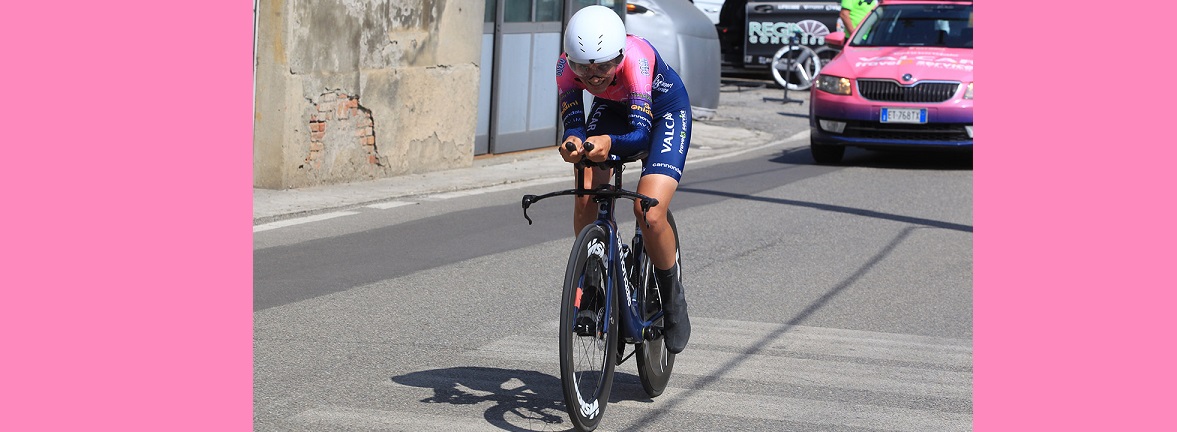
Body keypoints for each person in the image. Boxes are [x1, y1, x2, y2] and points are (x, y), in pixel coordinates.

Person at [555, 5, 691, 354]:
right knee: (586, 187)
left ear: (618, 54)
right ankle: (595, 282)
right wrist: (573, 144)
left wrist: (608, 144)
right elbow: (574, 124)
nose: (593, 76)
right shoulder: (563, 68)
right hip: (615, 110)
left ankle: (673, 300)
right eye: (583, 68)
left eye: (602, 66)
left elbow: (641, 136)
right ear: (569, 60)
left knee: (649, 211)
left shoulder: (638, 57)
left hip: (661, 114)